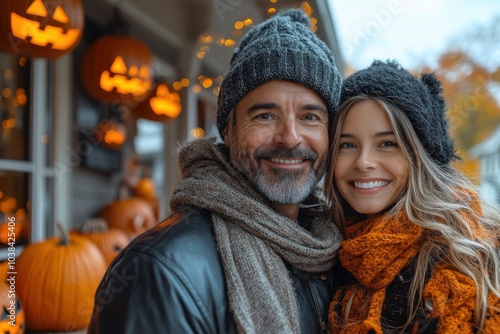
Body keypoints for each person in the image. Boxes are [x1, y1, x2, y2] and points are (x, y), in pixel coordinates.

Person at [88, 8, 343, 334]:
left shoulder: (335, 248)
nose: (290, 138)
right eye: (265, 115)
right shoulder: (159, 272)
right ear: (228, 130)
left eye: (310, 117)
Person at [325, 60, 500, 333]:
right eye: (347, 145)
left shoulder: (470, 255)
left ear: (421, 157)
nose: (364, 162)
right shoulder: (325, 253)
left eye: (387, 143)